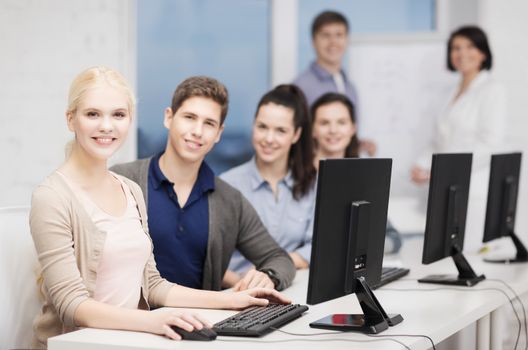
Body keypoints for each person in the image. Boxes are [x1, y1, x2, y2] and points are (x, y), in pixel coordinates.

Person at [29, 67, 290, 348]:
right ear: (71, 119)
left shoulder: (128, 189)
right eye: (93, 114)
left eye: (118, 114)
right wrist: (156, 321)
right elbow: (70, 303)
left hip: (139, 339)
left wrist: (232, 300)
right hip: (84, 342)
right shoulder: (53, 196)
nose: (106, 126)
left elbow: (152, 284)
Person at [111, 76, 295, 292]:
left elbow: (279, 259)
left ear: (219, 133)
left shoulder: (229, 200)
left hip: (201, 321)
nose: (197, 131)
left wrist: (268, 276)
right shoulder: (123, 179)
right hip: (131, 322)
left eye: (209, 123)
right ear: (169, 118)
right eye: (189, 117)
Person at [410, 25, 506, 253]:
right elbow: (439, 141)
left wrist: (446, 171)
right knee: (447, 255)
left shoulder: (493, 90)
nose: (462, 53)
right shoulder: (449, 93)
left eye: (470, 46)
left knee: (471, 256)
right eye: (456, 47)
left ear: (483, 53)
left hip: (474, 191)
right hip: (447, 188)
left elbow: (490, 144)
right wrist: (421, 165)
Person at [220, 84, 317, 290]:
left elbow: (317, 246)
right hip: (237, 293)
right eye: (262, 127)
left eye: (281, 130)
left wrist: (274, 270)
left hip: (293, 288)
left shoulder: (311, 184)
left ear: (296, 135)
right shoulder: (227, 185)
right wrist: (246, 285)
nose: (269, 139)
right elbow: (208, 261)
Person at [311, 92, 402, 254]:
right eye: (324, 123)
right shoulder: (299, 177)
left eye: (341, 122)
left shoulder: (361, 178)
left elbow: (393, 238)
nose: (333, 130)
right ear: (313, 129)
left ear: (353, 128)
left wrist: (354, 251)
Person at [294, 10, 376, 156]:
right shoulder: (301, 87)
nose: (333, 42)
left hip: (346, 170)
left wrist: (358, 144)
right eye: (326, 35)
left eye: (339, 35)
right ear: (314, 41)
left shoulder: (350, 87)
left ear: (347, 39)